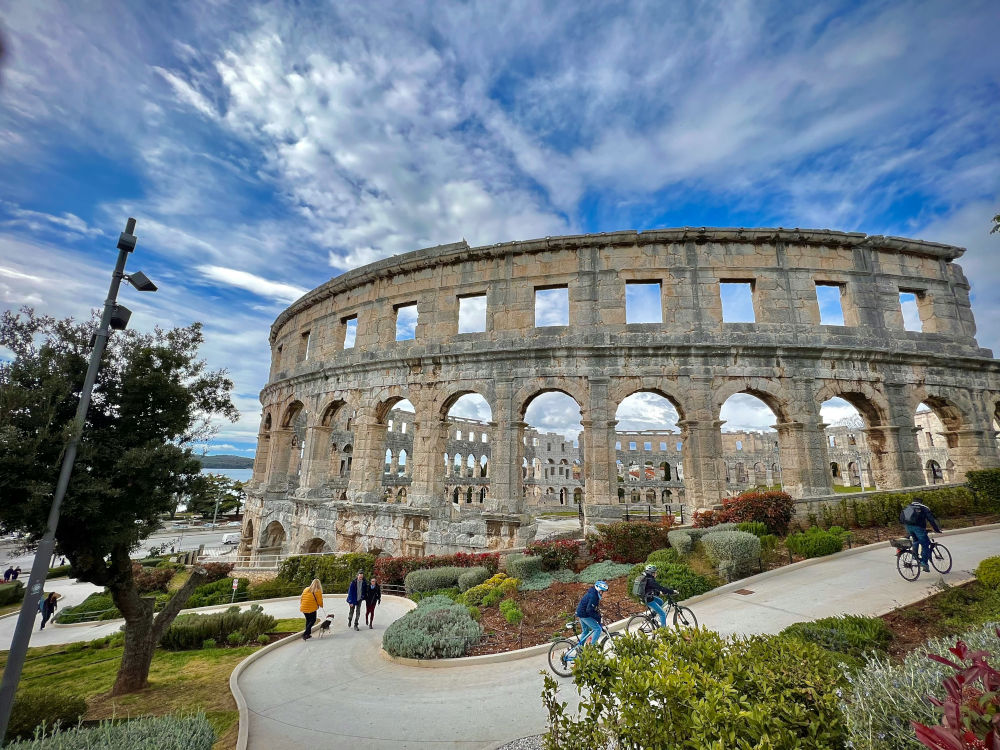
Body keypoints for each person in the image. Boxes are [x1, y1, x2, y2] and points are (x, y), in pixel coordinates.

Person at [900, 497, 942, 572]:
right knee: (925, 544)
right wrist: (936, 529)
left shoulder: (909, 507)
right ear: (921, 502)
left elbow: (905, 519)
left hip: (908, 527)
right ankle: (924, 563)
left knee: (916, 540)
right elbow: (931, 520)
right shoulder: (924, 508)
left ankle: (915, 556)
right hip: (918, 528)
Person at [575, 580, 608, 646]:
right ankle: (592, 649)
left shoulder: (594, 593)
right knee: (597, 629)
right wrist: (598, 618)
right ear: (599, 590)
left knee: (585, 631)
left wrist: (597, 616)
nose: (604, 594)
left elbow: (591, 608)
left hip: (580, 613)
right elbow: (589, 610)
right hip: (584, 614)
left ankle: (579, 649)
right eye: (603, 591)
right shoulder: (594, 596)